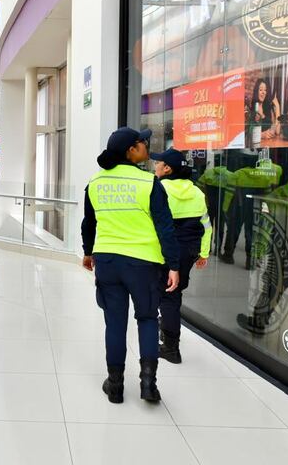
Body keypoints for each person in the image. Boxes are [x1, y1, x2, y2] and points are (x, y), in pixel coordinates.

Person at [81, 127, 180, 404]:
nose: (146, 145)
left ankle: (115, 387)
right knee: (147, 319)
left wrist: (88, 253)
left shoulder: (96, 183)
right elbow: (165, 227)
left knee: (114, 324)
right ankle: (148, 385)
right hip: (143, 263)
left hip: (108, 262)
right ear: (130, 151)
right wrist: (173, 264)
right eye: (142, 142)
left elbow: (89, 224)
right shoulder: (149, 183)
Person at [150, 149, 212, 364]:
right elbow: (206, 226)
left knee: (167, 295)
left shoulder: (159, 188)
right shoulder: (197, 192)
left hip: (165, 250)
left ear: (167, 168)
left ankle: (170, 347)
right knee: (174, 292)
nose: (155, 166)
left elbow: (152, 223)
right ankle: (166, 325)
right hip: (189, 251)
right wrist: (203, 252)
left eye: (158, 162)